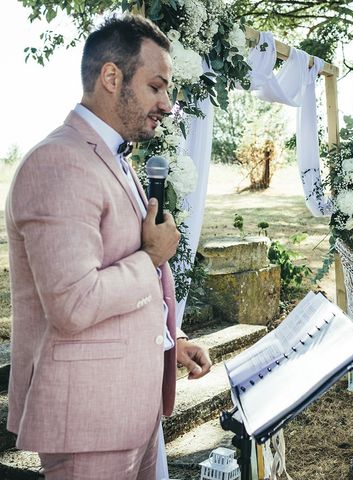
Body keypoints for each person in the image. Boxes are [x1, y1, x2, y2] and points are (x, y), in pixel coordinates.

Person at [6, 14, 212, 479]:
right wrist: (152, 257)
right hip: (88, 422)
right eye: (156, 87)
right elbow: (73, 303)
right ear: (111, 77)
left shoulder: (113, 158)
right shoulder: (58, 163)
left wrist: (169, 342)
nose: (166, 104)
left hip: (134, 411)